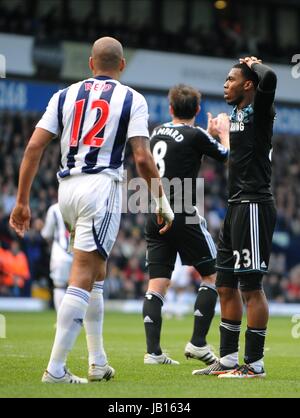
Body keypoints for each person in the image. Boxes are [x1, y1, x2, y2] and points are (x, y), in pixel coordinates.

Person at [10, 37, 174, 384]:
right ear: (122, 66)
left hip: (66, 189)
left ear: (90, 63)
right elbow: (143, 159)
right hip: (101, 188)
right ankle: (55, 369)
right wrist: (162, 203)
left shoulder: (64, 95)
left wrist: (22, 200)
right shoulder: (132, 98)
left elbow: (34, 146)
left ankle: (98, 362)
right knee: (85, 272)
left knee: (97, 271)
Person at [194, 57, 277, 378]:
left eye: (231, 79)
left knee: (251, 288)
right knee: (225, 285)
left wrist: (253, 64)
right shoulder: (238, 115)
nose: (224, 85)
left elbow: (269, 78)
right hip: (235, 207)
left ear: (248, 85)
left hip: (254, 205)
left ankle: (254, 364)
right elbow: (240, 158)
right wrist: (224, 137)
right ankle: (228, 358)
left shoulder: (262, 111)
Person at [143, 84, 230, 365]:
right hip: (182, 210)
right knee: (213, 276)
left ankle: (153, 352)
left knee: (157, 285)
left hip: (154, 209)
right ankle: (198, 344)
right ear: (197, 110)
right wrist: (222, 134)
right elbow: (226, 156)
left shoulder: (157, 131)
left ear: (170, 109)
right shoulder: (195, 134)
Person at [41, 203, 73, 312]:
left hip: (60, 254)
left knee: (59, 286)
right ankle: (75, 318)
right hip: (80, 253)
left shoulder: (54, 209)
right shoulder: (81, 204)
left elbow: (46, 234)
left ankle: (61, 319)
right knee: (79, 287)